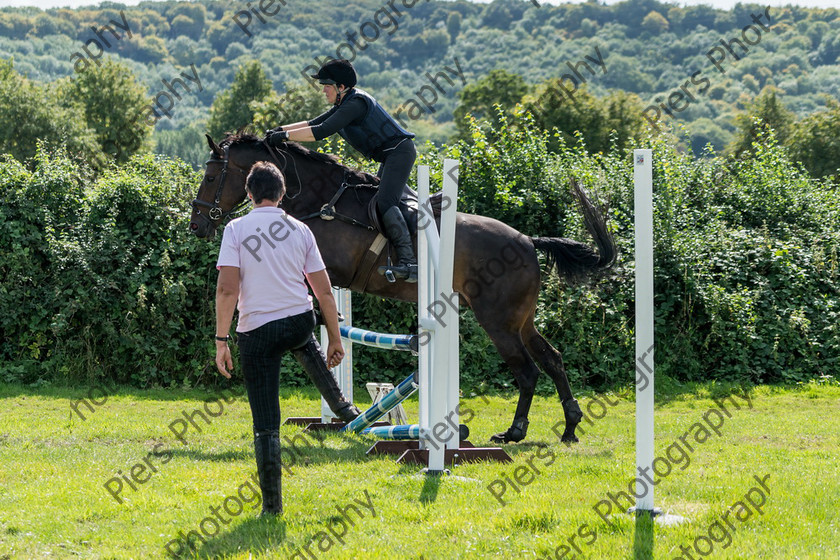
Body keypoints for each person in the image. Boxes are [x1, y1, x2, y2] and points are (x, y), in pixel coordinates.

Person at [214, 161, 359, 515]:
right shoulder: (301, 229)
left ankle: (272, 508)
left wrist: (221, 340)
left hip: (258, 331)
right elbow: (324, 293)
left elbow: (227, 290)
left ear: (249, 194)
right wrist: (336, 340)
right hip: (298, 321)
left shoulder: (235, 229)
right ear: (281, 194)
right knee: (302, 338)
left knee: (266, 425)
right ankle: (342, 406)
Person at [267, 59, 418, 282]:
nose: (324, 91)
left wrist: (285, 137)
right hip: (390, 156)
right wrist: (278, 130)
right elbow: (312, 122)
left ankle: (409, 263)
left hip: (399, 153)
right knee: (375, 200)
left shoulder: (355, 104)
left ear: (341, 87)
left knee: (386, 202)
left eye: (327, 86)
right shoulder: (344, 103)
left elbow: (321, 131)